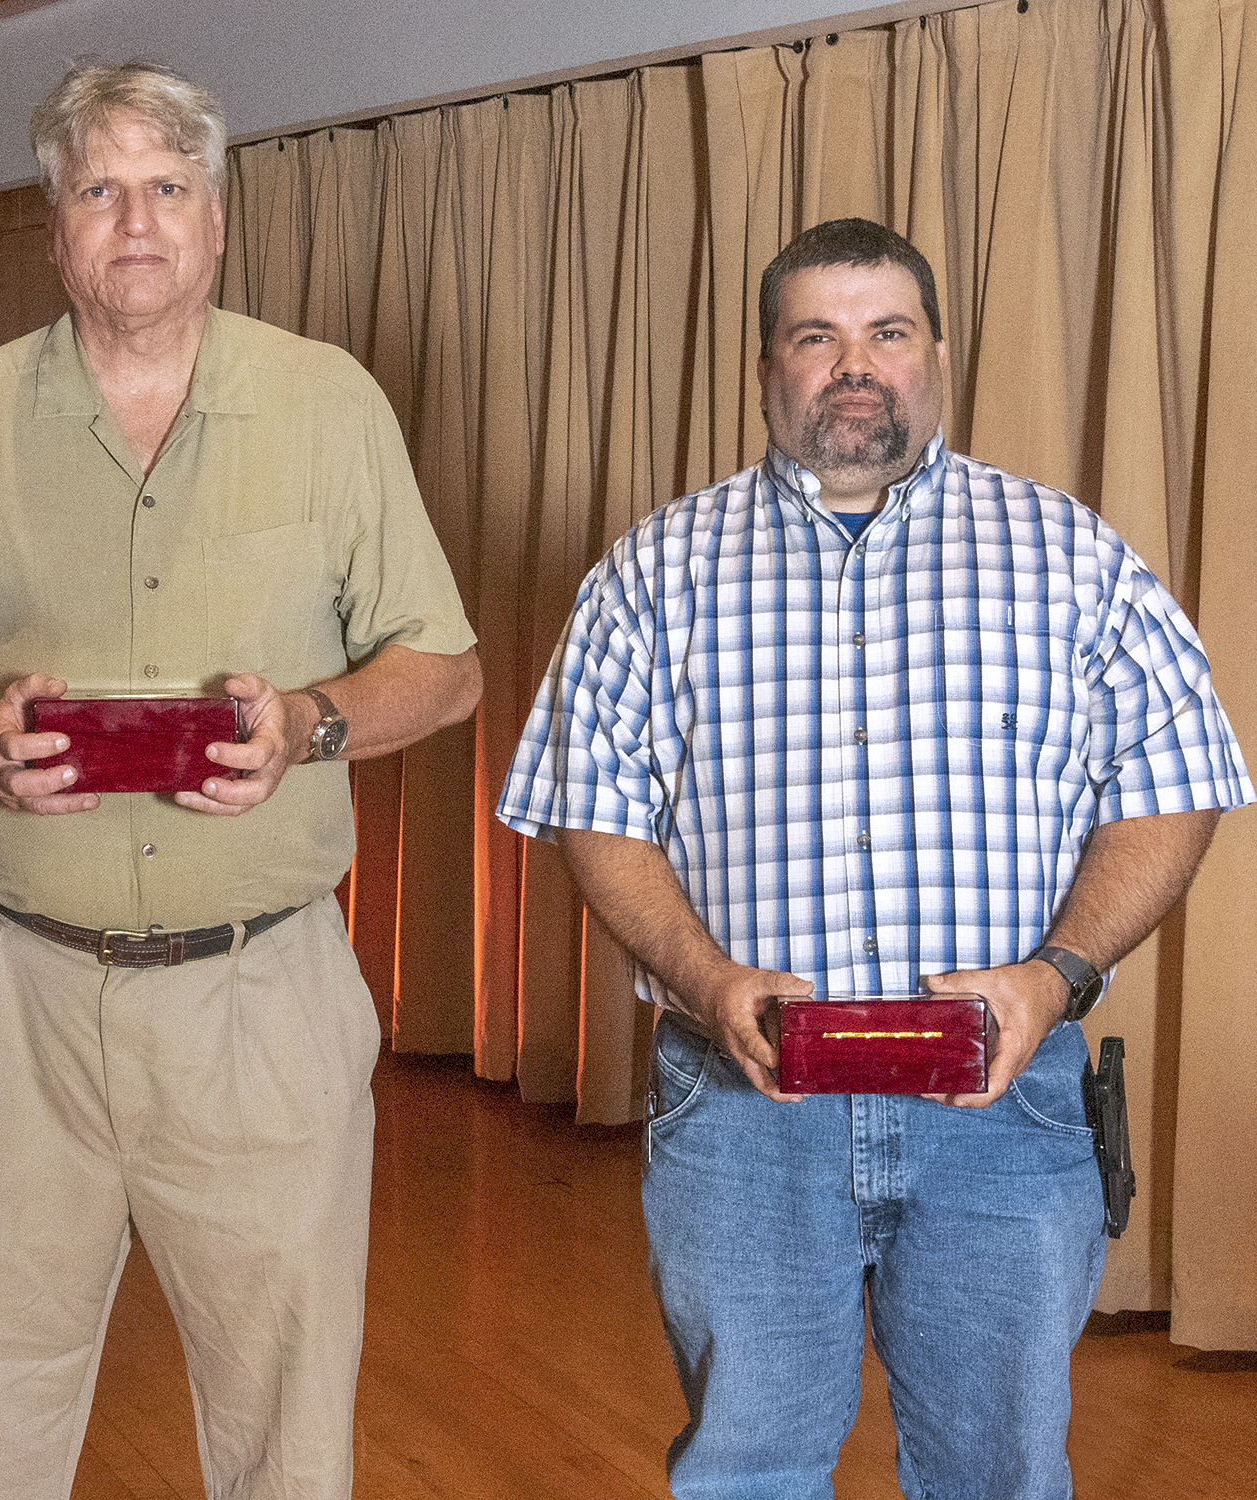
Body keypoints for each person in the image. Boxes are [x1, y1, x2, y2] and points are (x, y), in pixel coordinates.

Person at [498, 217, 1252, 1500]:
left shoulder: (1070, 560)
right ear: (766, 369)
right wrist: (701, 974)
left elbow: (1178, 787)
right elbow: (593, 808)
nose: (856, 364)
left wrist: (1056, 974)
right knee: (746, 1468)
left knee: (998, 1474)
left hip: (1002, 1116)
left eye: (887, 332)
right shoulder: (654, 573)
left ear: (938, 357)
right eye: (818, 336)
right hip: (745, 1121)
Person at [0, 59, 480, 1500]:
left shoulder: (331, 405)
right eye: (99, 189)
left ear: (218, 219)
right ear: (53, 226)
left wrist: (311, 722)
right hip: (8, 994)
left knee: (287, 1429)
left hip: (263, 997)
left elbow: (444, 668)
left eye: (166, 187)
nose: (135, 221)